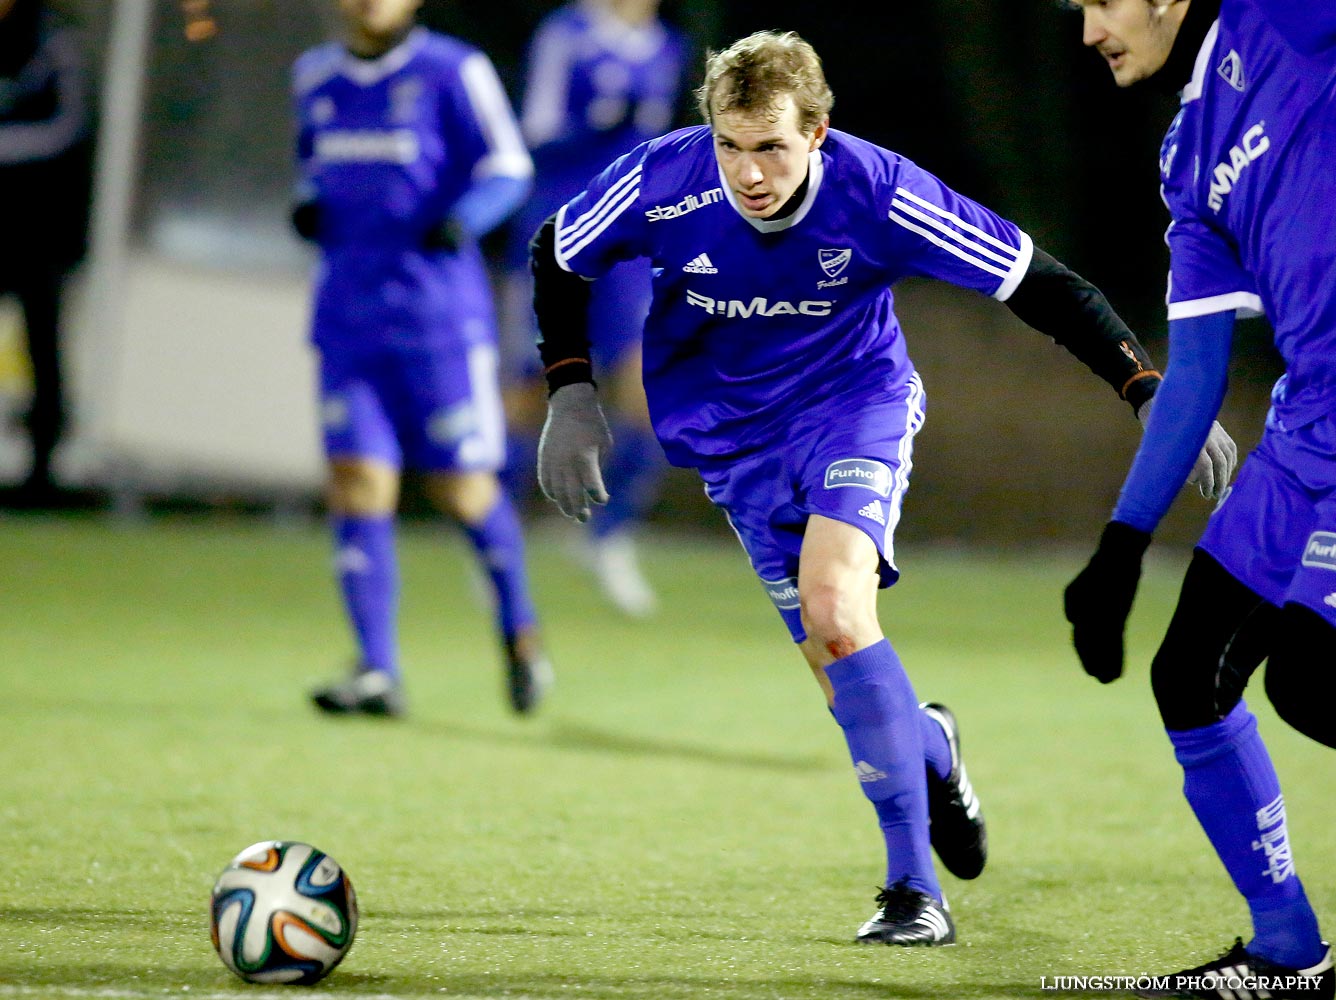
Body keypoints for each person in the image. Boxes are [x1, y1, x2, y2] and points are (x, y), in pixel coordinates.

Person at [528, 29, 1234, 944]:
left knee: (835, 605)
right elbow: (559, 251)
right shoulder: (662, 178)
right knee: (839, 670)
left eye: (772, 146)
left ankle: (914, 892)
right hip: (734, 441)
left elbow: (1039, 282)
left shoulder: (881, 192)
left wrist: (1145, 387)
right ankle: (930, 743)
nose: (748, 172)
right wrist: (572, 391)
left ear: (817, 133)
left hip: (852, 410)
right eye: (730, 145)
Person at [1063, 1, 1336, 997]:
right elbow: (1196, 370)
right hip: (1306, 427)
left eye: (1100, 0)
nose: (1088, 27)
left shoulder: (1288, 21)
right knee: (1189, 675)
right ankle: (1285, 953)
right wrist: (1120, 546)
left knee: (1313, 679)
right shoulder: (1190, 152)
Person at [291, 0, 551, 718]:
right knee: (355, 482)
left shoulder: (452, 71)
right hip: (347, 316)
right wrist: (307, 199)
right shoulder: (314, 77)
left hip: (438, 321)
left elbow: (508, 167)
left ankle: (519, 632)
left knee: (463, 491)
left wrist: (464, 218)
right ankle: (377, 669)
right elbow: (313, 164)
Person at [500, 0, 687, 618]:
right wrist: (599, 124)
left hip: (628, 242)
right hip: (557, 223)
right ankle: (501, 543)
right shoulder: (567, 32)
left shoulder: (666, 46)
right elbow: (535, 129)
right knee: (532, 394)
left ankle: (609, 538)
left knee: (648, 389)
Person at [0, 0, 90, 507]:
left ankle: (43, 469)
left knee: (43, 348)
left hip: (41, 230)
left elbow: (67, 126)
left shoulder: (55, 45)